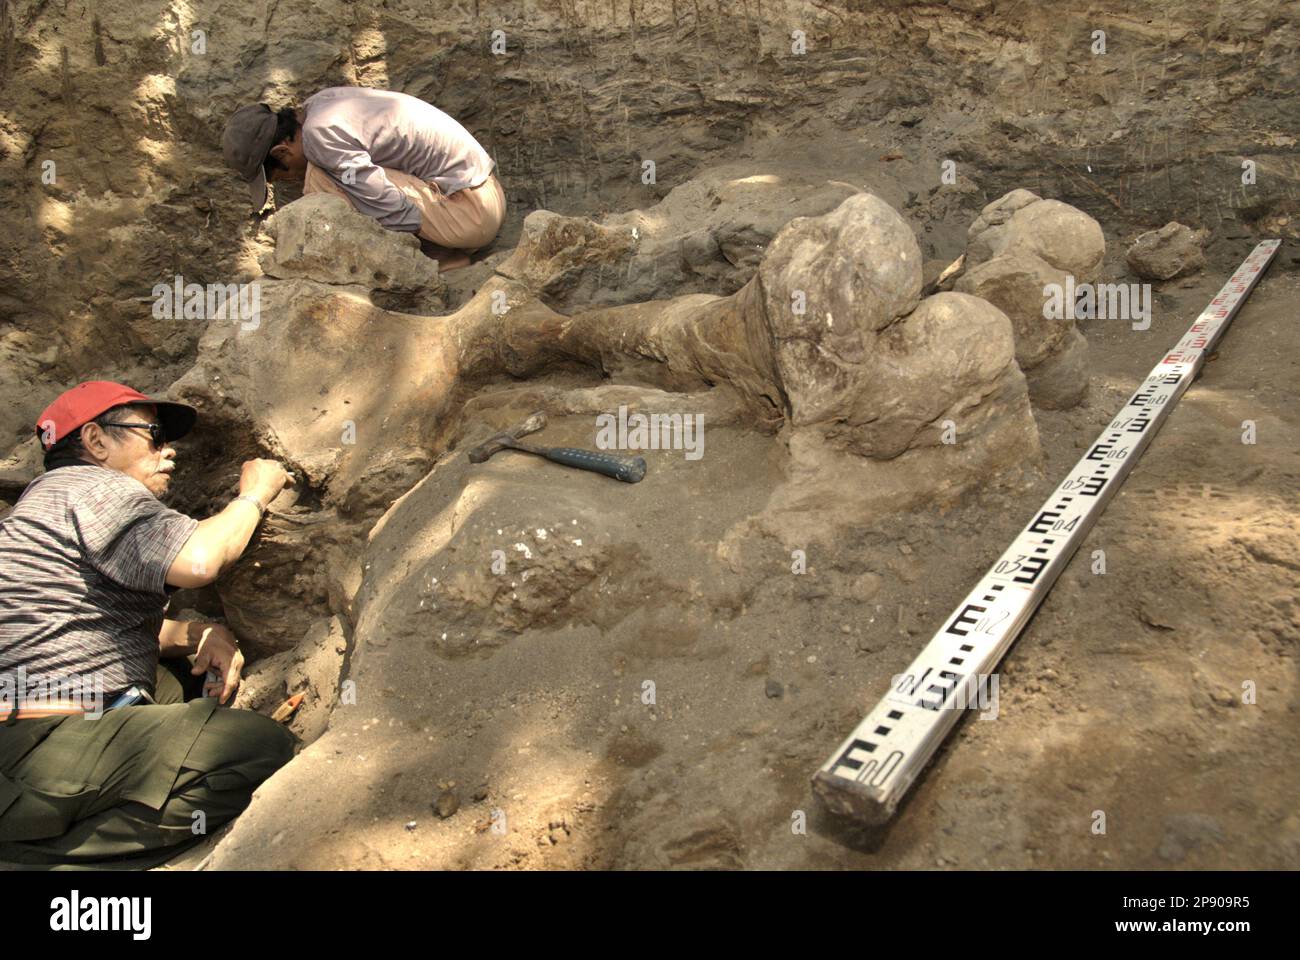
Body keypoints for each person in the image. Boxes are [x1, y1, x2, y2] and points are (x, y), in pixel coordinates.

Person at [0, 380, 296, 869]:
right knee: (257, 748)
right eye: (154, 434)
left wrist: (200, 634)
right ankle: (41, 860)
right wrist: (255, 494)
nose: (170, 451)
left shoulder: (40, 509)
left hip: (24, 739)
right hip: (35, 744)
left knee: (180, 682)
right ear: (96, 442)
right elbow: (200, 562)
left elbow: (80, 622)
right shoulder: (94, 487)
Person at [222, 86, 506, 271]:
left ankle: (439, 256)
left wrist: (409, 257)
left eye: (282, 177)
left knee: (320, 181)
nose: (291, 181)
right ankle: (439, 247)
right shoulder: (317, 108)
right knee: (335, 177)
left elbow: (387, 202)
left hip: (472, 212)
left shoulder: (320, 137)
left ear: (282, 151)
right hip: (478, 195)